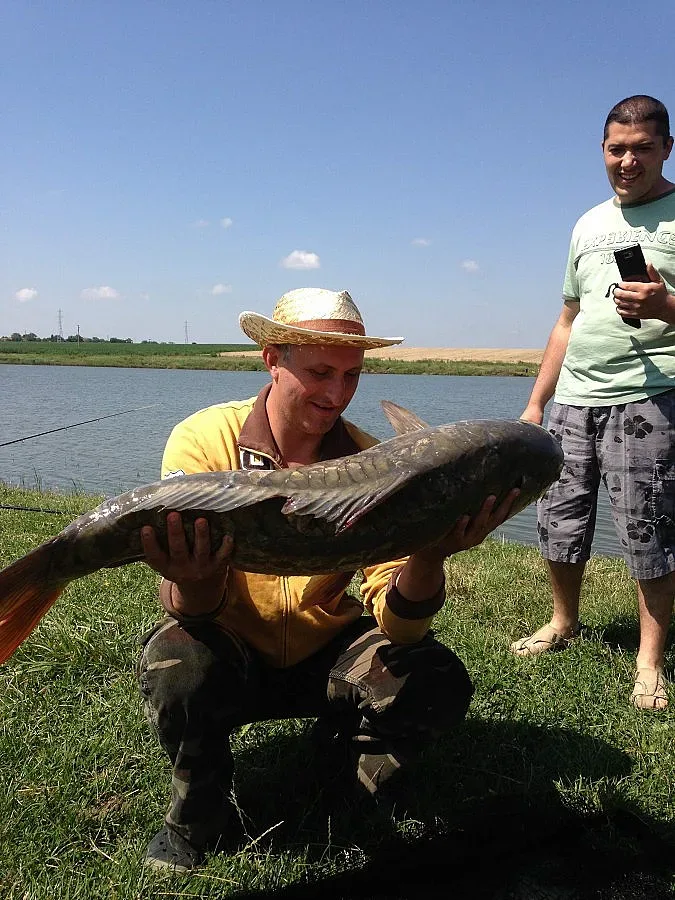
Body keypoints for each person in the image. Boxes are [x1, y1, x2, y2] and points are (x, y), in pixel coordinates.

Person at [136, 287, 519, 871]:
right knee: (179, 663)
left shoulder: (375, 460)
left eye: (352, 375)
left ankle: (346, 785)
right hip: (232, 647)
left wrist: (429, 555)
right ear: (273, 358)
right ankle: (198, 809)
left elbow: (401, 629)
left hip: (326, 654)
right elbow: (192, 610)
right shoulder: (204, 439)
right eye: (319, 372)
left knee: (434, 676)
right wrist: (193, 579)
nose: (337, 394)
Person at [511, 95, 675, 712]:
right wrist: (535, 405)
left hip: (652, 394)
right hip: (574, 398)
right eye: (616, 148)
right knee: (561, 516)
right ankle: (562, 621)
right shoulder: (586, 224)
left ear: (666, 148)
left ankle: (649, 657)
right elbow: (567, 319)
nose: (627, 161)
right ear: (602, 151)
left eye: (641, 148)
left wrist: (664, 308)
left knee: (648, 527)